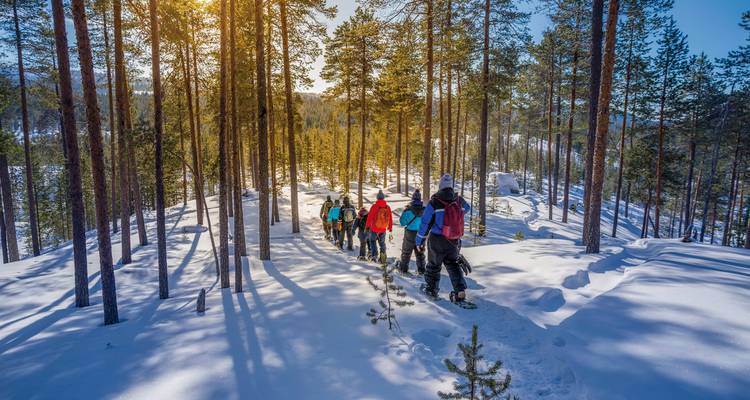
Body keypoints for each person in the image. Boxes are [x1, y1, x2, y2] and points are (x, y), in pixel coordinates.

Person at [416, 174, 471, 303]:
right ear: (451, 186)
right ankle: (460, 292)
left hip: (437, 239)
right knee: (453, 265)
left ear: (440, 186)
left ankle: (431, 290)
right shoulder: (459, 201)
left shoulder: (435, 202)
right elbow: (467, 209)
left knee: (434, 265)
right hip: (454, 240)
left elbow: (425, 223)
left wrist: (419, 241)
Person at [396, 190, 426, 275]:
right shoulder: (425, 210)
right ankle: (421, 271)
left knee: (406, 252)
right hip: (421, 234)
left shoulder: (408, 210)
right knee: (420, 253)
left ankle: (403, 269)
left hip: (409, 233)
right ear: (420, 198)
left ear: (412, 198)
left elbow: (402, 222)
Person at [365, 189, 393, 264]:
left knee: (373, 241)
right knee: (382, 243)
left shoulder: (374, 206)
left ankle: (374, 256)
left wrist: (367, 227)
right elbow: (390, 218)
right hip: (383, 229)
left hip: (374, 229)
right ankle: (383, 258)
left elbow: (369, 217)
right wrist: (390, 228)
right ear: (383, 198)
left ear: (377, 198)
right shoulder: (387, 207)